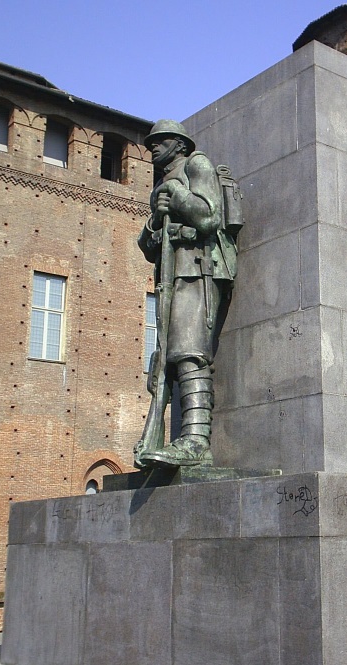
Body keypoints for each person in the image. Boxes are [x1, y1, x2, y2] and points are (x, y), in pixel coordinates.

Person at [134, 120, 236, 466]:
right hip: (169, 277)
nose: (153, 148)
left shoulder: (196, 165)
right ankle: (178, 437)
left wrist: (176, 199)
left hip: (197, 270)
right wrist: (154, 223)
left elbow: (210, 216)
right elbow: (147, 245)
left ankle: (196, 441)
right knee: (169, 358)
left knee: (189, 353)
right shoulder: (162, 183)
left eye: (160, 142)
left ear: (179, 144)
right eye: (151, 143)